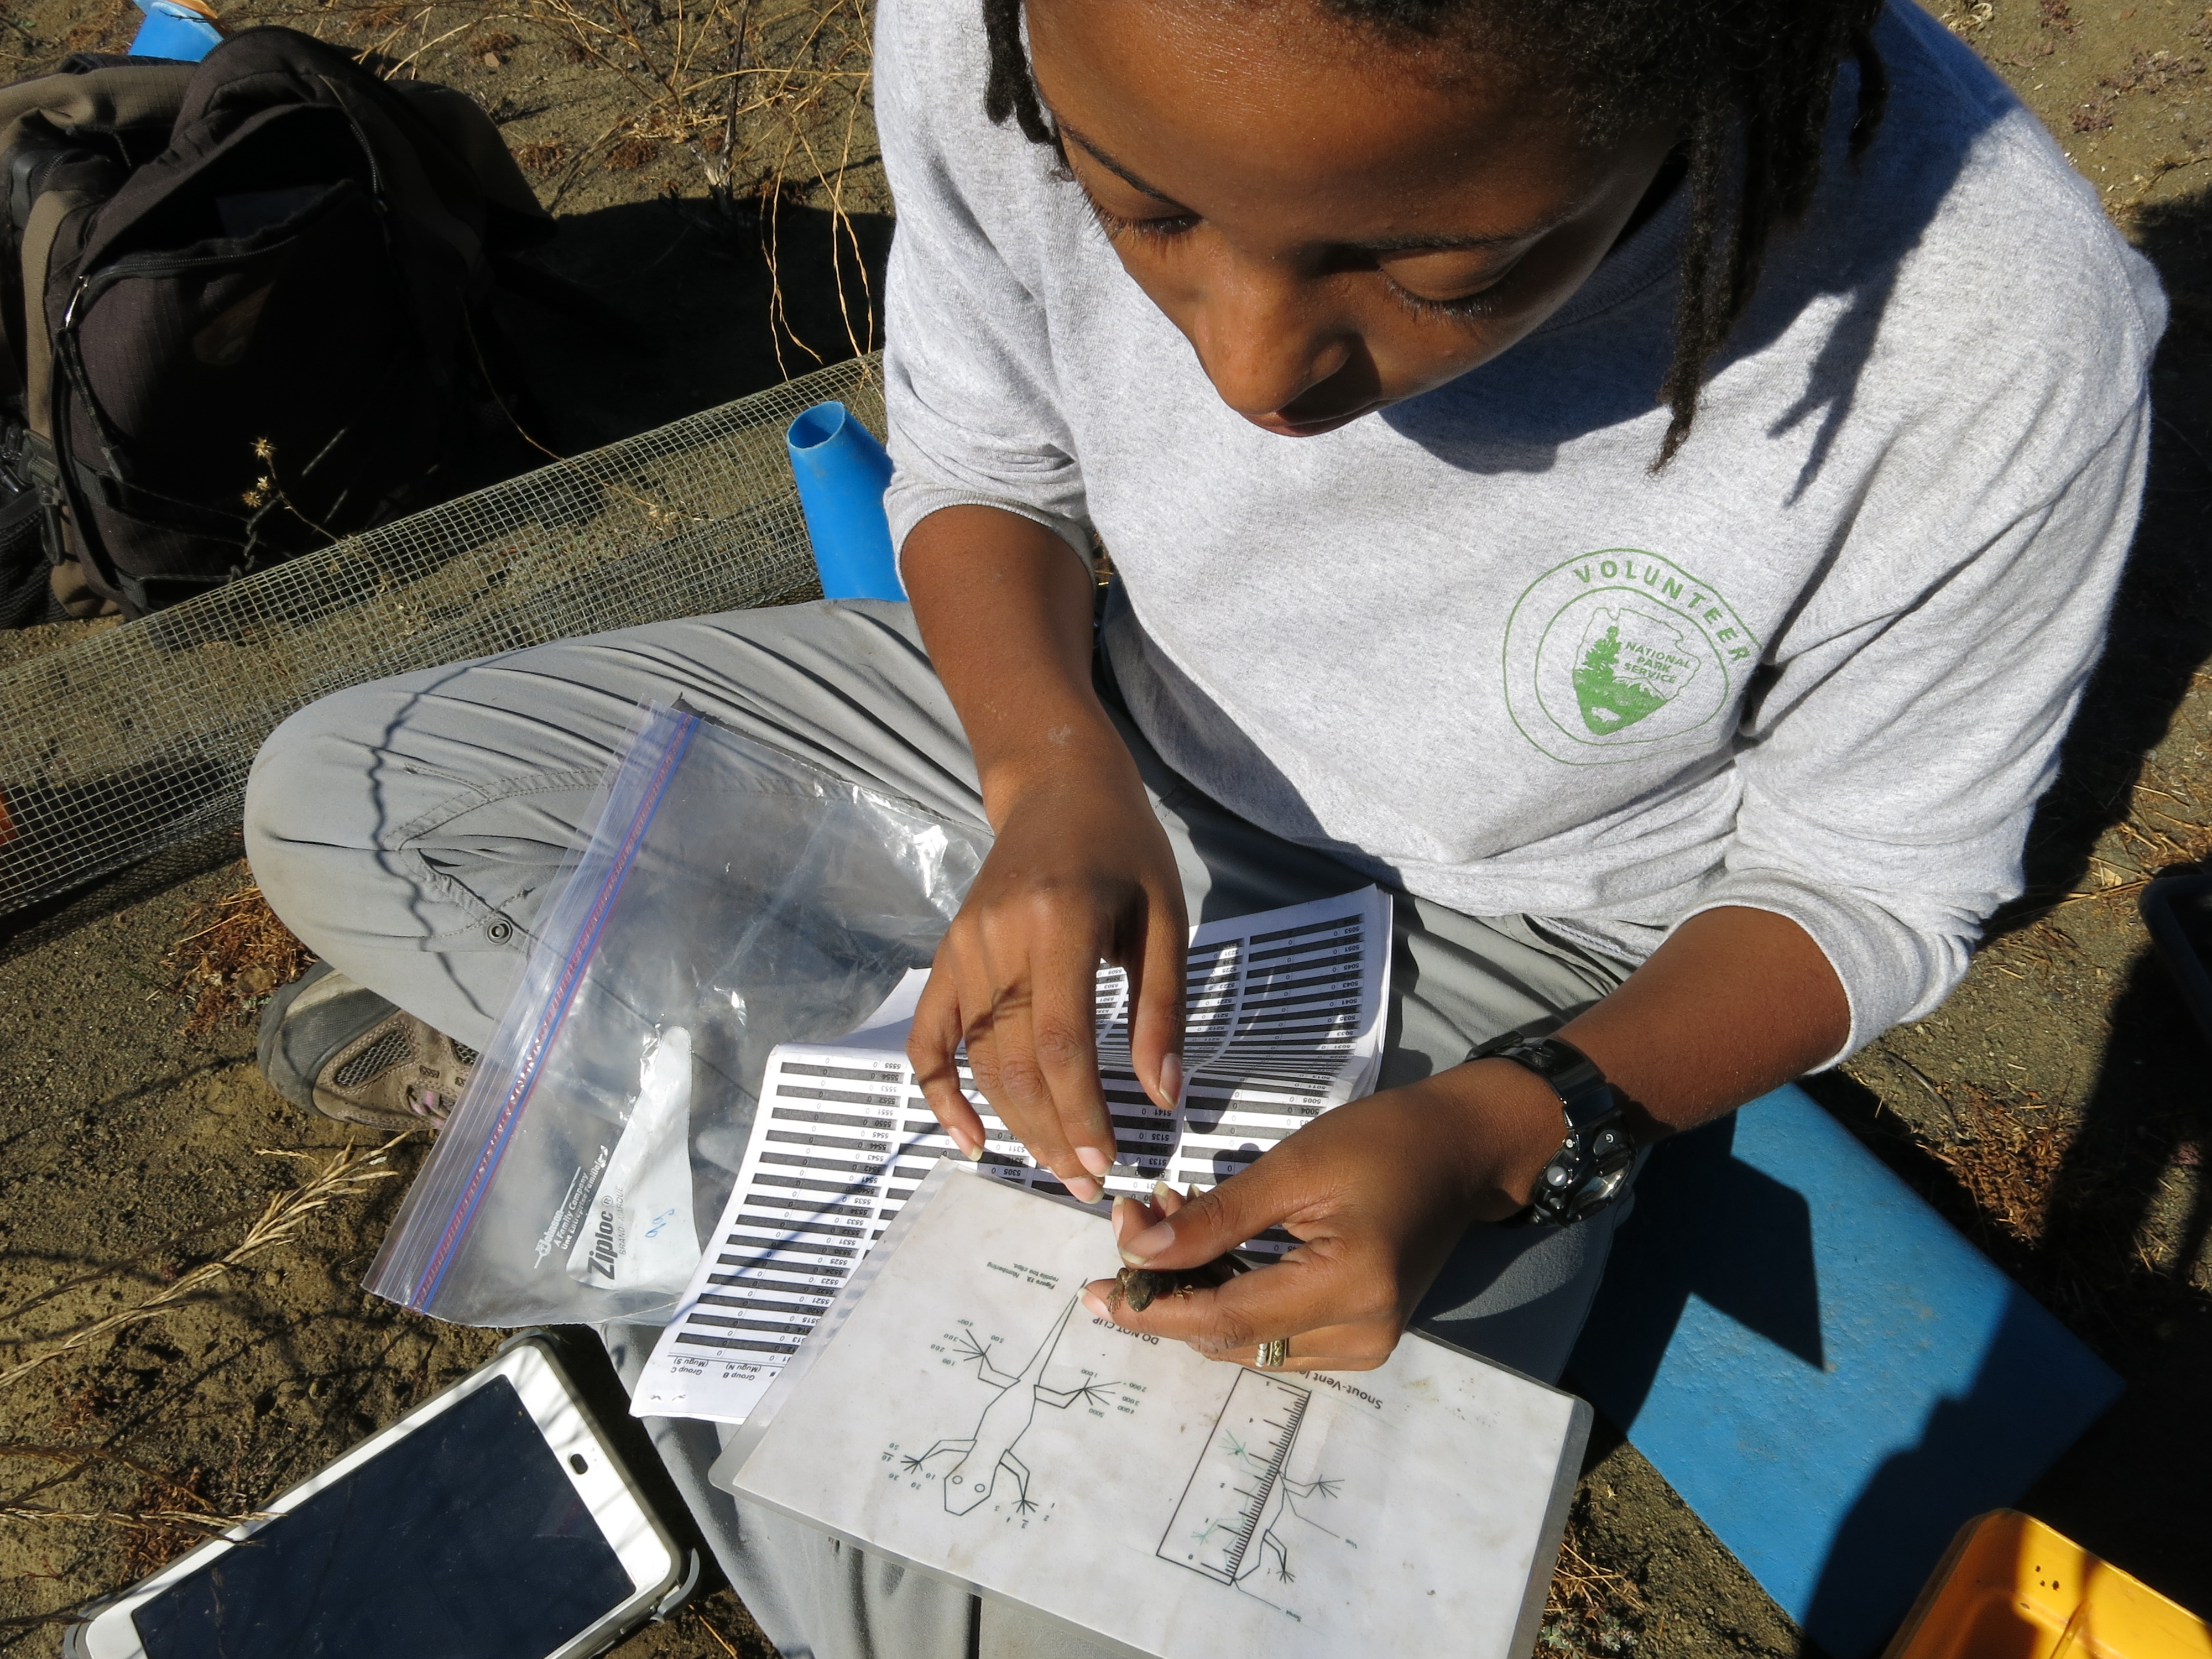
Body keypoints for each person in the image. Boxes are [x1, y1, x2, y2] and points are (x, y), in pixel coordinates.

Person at [244, 0, 2161, 1651]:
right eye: (1140, 205)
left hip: (1517, 950)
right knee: (351, 799)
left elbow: (1874, 888)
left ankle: (667, 1119)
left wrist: (1510, 1135)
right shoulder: (1011, 17)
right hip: (1102, 720)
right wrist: (1044, 769)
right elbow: (992, 459)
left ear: (1693, 103)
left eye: (1437, 271)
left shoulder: (1987, 323)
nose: (1251, 372)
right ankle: (810, 1191)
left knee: (1011, 1628)